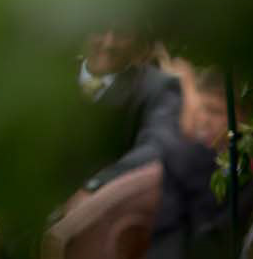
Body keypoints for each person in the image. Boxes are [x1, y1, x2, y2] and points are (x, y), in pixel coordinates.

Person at [35, 65, 244, 259]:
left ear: (244, 119)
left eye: (214, 112)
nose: (202, 120)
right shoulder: (183, 157)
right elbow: (168, 226)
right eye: (200, 109)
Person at [73, 30, 183, 195]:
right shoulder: (50, 76)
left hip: (109, 200)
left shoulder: (157, 87)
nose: (109, 44)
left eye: (121, 33)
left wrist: (96, 186)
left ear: (135, 41)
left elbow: (159, 145)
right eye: (100, 30)